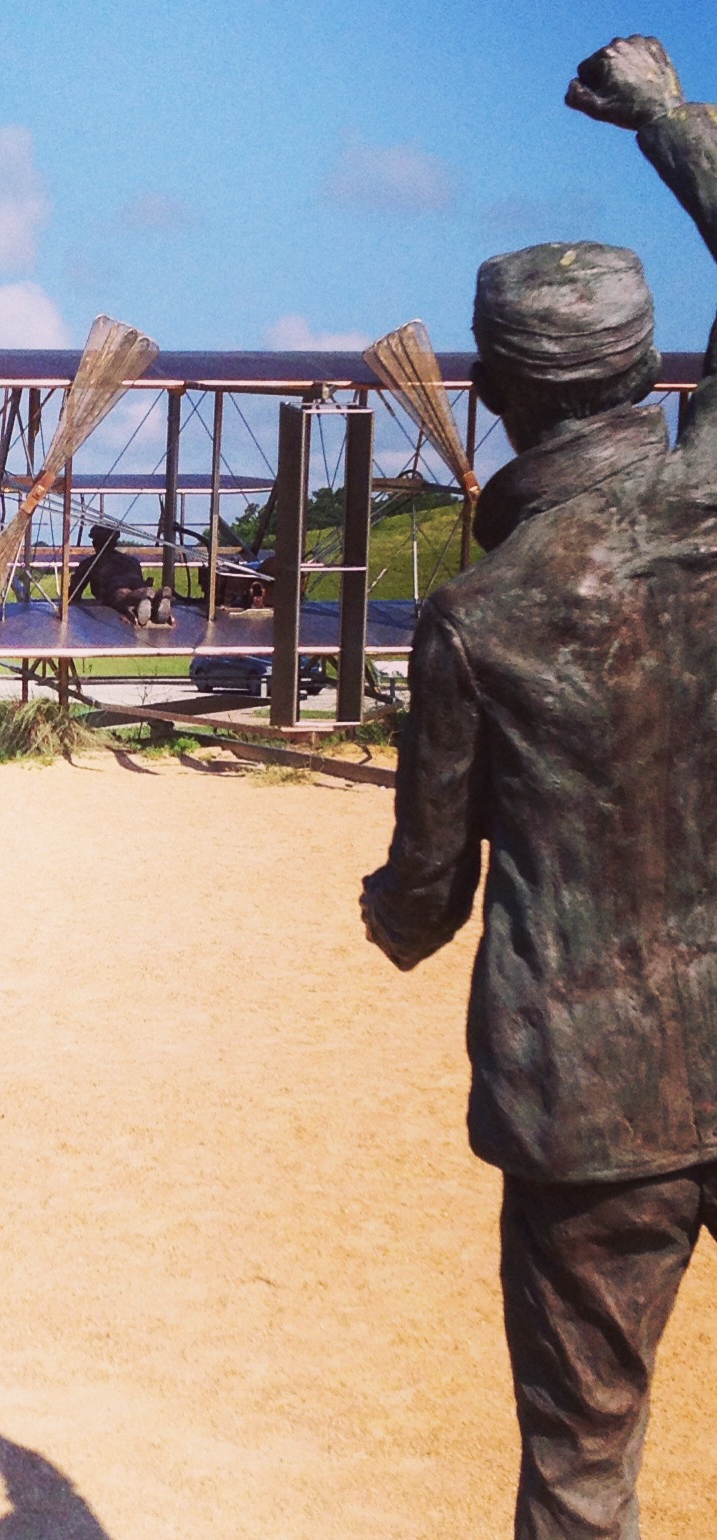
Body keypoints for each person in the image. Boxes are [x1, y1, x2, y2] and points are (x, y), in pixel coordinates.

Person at [362, 37, 717, 1540]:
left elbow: (428, 896)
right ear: (648, 371)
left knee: (583, 1466)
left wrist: (390, 910)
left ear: (494, 390)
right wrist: (662, 115)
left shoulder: (482, 617)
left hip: (593, 1103)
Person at [69, 523, 173, 625]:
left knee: (122, 595)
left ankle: (144, 594)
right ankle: (157, 595)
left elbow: (74, 593)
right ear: (115, 542)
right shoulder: (132, 560)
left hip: (115, 589)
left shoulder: (90, 563)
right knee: (136, 591)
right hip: (137, 583)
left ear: (95, 543)